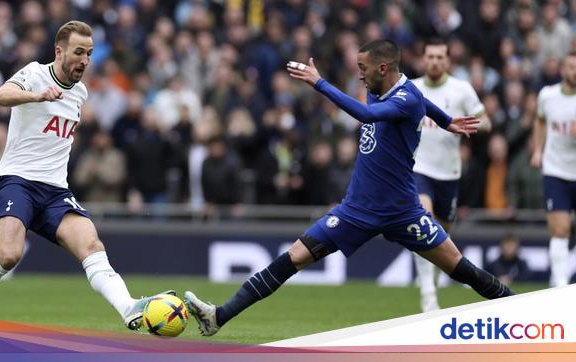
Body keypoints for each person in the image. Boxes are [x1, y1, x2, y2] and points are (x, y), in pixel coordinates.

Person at [184, 40, 514, 336]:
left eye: (362, 68)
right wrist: (447, 121)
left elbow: (367, 114)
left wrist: (320, 83)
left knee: (462, 270)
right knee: (292, 258)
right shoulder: (385, 85)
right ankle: (219, 317)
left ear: (382, 68)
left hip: (403, 211)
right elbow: (425, 103)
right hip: (356, 209)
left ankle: (532, 318)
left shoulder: (403, 98)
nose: (359, 75)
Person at [0, 21, 172, 331]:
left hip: (55, 190)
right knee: (8, 255)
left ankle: (128, 307)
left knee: (92, 245)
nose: (84, 60)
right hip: (18, 180)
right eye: (78, 52)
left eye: (89, 54)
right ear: (59, 51)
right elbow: (0, 96)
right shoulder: (36, 74)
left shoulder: (80, 93)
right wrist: (37, 96)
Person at [411, 39, 492, 312]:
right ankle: (428, 293)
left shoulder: (461, 90)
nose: (434, 62)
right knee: (424, 222)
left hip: (449, 173)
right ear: (423, 59)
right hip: (417, 169)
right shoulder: (412, 89)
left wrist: (469, 127)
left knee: (441, 235)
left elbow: (487, 121)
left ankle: (431, 279)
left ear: (448, 61)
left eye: (440, 57)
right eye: (430, 56)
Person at [531, 51, 576, 287]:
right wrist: (538, 150)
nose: (574, 72)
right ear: (562, 70)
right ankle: (560, 284)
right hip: (556, 171)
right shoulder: (547, 96)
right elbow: (540, 120)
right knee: (560, 230)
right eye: (571, 67)